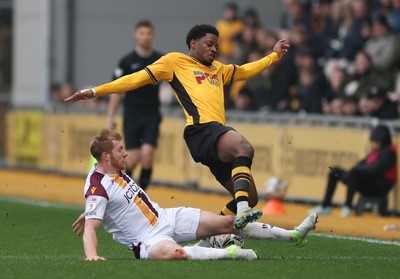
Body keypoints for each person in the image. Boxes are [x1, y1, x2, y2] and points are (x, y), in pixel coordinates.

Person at [64, 24, 290, 230]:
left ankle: (216, 231)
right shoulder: (174, 61)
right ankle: (242, 211)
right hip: (201, 131)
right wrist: (95, 91)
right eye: (209, 44)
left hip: (215, 136)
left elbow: (245, 71)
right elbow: (134, 79)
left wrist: (273, 56)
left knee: (250, 196)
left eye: (216, 46)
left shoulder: (219, 69)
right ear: (193, 44)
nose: (214, 50)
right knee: (244, 147)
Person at [72, 129, 318, 261]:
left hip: (166, 217)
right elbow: (92, 228)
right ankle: (230, 253)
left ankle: (293, 235)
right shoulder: (97, 187)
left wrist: (92, 210)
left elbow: (105, 202)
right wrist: (92, 255)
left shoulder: (107, 176)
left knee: (228, 223)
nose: (125, 154)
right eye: (120, 150)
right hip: (147, 241)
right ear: (106, 157)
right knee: (175, 254)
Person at [106, 20, 163, 191]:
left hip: (152, 114)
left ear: (153, 36)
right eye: (142, 33)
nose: (145, 37)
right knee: (133, 158)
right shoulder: (126, 62)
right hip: (131, 114)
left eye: (149, 33)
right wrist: (110, 116)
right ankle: (123, 190)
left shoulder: (160, 60)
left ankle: (141, 195)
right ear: (136, 36)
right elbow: (116, 91)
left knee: (147, 155)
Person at [310, 124, 397, 217]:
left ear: (384, 140)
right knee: (334, 171)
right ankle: (325, 206)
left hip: (380, 186)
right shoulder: (376, 151)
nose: (375, 143)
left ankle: (348, 207)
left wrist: (356, 171)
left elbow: (376, 169)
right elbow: (362, 163)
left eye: (377, 141)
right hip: (368, 182)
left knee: (354, 173)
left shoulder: (389, 152)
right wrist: (352, 172)